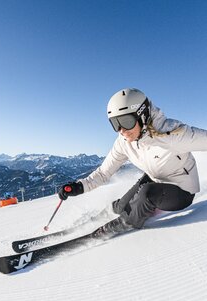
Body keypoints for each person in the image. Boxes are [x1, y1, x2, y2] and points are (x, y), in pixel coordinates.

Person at [58, 88, 207, 238]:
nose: (121, 130)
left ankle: (119, 226)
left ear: (142, 116)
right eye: (115, 123)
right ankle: (97, 220)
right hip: (156, 180)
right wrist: (79, 186)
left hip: (182, 192)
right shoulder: (124, 142)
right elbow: (104, 172)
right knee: (122, 205)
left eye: (126, 121)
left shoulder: (172, 134)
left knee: (145, 194)